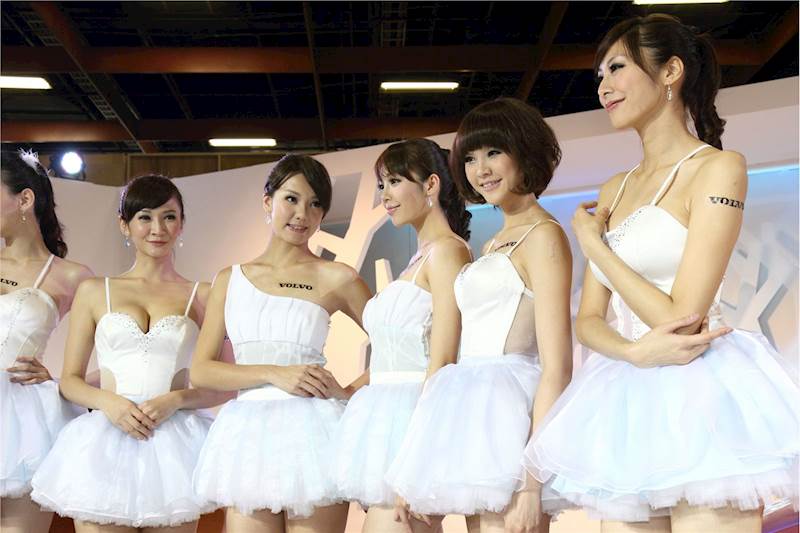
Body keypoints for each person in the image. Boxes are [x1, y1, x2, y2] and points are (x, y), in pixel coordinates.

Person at [524, 14, 800, 533]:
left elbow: (684, 317)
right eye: (599, 75)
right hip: (626, 395)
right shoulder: (614, 188)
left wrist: (595, 246)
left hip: (703, 394)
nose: (603, 87)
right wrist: (633, 352)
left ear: (670, 71)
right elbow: (589, 321)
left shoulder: (719, 168)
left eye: (617, 68)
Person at [386, 98, 573, 533]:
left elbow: (557, 367)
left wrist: (531, 485)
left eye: (493, 152)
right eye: (469, 158)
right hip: (470, 411)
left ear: (524, 151)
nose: (480, 169)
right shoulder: (493, 243)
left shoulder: (543, 236)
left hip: (512, 416)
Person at [191, 154, 373, 533]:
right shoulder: (229, 279)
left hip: (315, 434)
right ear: (267, 201)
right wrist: (275, 373)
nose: (302, 214)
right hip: (248, 437)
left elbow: (400, 348)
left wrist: (349, 393)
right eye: (291, 199)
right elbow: (202, 371)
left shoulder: (337, 277)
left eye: (315, 204)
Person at [330, 138, 473, 532]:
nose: (385, 196)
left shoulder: (448, 252)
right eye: (382, 185)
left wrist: (417, 459)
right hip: (384, 424)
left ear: (431, 185)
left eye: (394, 182)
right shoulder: (420, 257)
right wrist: (345, 389)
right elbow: (395, 355)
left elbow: (444, 360)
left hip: (413, 427)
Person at [0, 149, 92, 533]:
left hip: (23, 423)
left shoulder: (73, 277)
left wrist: (59, 382)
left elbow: (121, 353)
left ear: (24, 199)